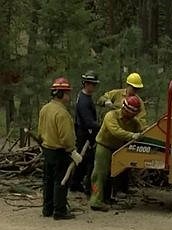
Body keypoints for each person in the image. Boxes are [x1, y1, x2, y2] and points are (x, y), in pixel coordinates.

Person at [38, 77, 82, 220]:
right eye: (67, 93)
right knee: (61, 181)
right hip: (60, 152)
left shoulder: (45, 109)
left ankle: (47, 208)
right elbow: (66, 138)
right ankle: (60, 211)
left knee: (48, 180)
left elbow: (40, 132)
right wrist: (72, 151)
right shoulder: (62, 114)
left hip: (47, 150)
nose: (69, 96)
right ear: (61, 94)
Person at [89, 95, 142, 212]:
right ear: (125, 109)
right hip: (104, 146)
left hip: (117, 149)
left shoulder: (134, 122)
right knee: (99, 174)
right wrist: (132, 136)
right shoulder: (111, 116)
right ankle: (95, 201)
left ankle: (106, 199)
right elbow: (116, 131)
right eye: (131, 113)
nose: (132, 116)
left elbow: (141, 131)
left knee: (111, 175)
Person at [97, 72, 147, 195]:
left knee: (124, 166)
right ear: (128, 85)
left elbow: (141, 119)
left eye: (137, 89)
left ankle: (121, 189)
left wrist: (140, 132)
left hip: (126, 137)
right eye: (133, 88)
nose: (135, 91)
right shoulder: (116, 94)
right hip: (110, 134)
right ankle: (101, 194)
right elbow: (101, 98)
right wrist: (106, 101)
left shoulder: (138, 102)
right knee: (102, 170)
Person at [70, 71, 100, 195]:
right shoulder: (83, 101)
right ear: (86, 84)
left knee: (83, 160)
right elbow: (88, 122)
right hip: (84, 134)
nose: (94, 87)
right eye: (92, 84)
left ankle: (76, 183)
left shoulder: (86, 97)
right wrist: (100, 125)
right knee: (88, 161)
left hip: (85, 133)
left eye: (95, 84)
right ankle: (83, 186)